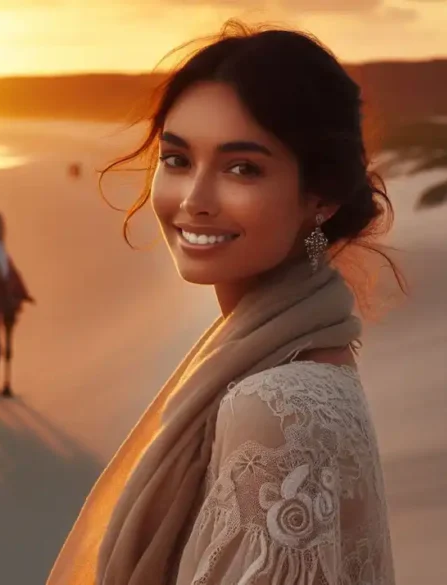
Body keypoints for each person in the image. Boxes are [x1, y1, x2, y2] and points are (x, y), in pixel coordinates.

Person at [48, 21, 404, 585]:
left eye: (243, 168)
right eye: (177, 160)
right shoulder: (309, 360)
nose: (194, 200)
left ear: (321, 196)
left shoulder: (278, 405)